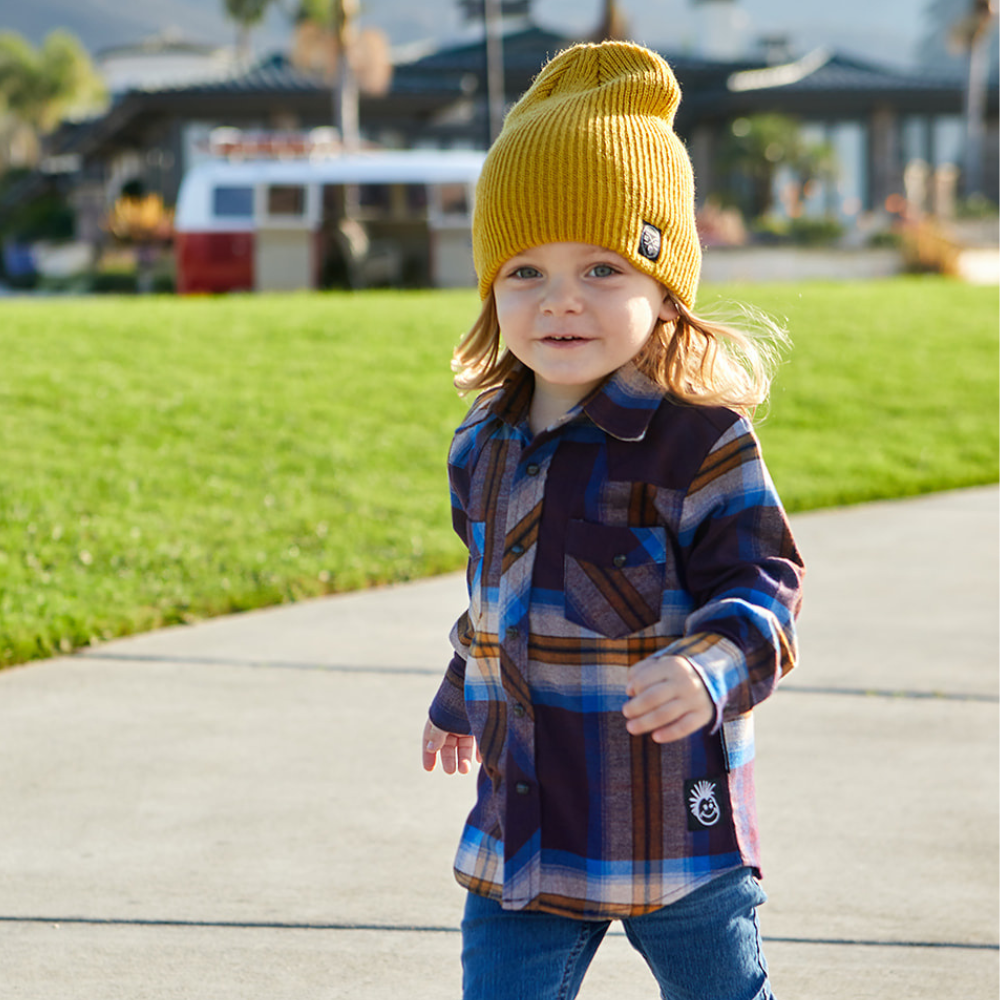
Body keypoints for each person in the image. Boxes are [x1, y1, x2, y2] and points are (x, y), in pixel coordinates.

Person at [421, 40, 804, 1000]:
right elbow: (493, 600)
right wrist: (455, 692)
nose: (560, 301)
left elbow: (764, 587)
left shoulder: (700, 442)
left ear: (664, 285)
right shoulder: (484, 444)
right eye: (524, 273)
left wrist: (709, 668)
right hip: (528, 833)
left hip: (672, 828)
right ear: (489, 289)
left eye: (601, 269)